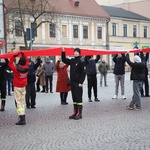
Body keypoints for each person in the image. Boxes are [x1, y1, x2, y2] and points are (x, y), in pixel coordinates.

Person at [61, 47, 86, 120]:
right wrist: (63, 52)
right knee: (74, 98)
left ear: (79, 53)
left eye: (77, 52)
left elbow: (83, 73)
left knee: (79, 98)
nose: (75, 53)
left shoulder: (81, 61)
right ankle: (75, 112)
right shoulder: (72, 60)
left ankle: (79, 113)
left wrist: (81, 82)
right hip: (72, 82)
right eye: (74, 52)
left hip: (78, 83)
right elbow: (64, 60)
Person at [8, 52, 29, 125]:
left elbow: (10, 64)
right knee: (22, 101)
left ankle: (22, 117)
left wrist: (13, 56)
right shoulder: (27, 67)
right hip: (23, 85)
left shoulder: (16, 69)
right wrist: (24, 55)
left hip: (17, 86)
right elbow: (27, 61)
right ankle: (23, 115)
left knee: (18, 101)